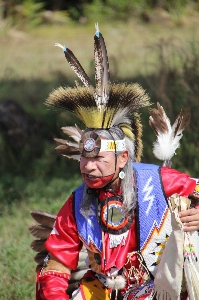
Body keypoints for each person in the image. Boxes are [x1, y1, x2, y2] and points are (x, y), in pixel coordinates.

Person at [35, 24, 199, 300]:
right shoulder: (77, 204)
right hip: (106, 290)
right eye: (85, 159)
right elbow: (55, 270)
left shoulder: (158, 181)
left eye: (98, 158)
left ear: (123, 157)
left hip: (165, 288)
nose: (88, 167)